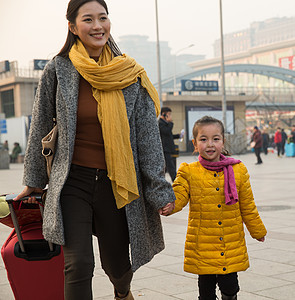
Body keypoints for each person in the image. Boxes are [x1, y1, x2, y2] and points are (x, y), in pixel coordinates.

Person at [14, 1, 176, 299]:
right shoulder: (58, 70)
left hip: (117, 183)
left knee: (117, 265)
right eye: (88, 19)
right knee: (78, 265)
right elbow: (39, 125)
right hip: (72, 181)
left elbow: (148, 139)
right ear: (73, 27)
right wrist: (33, 181)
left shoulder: (129, 73)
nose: (98, 25)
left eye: (103, 18)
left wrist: (159, 190)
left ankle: (122, 291)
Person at [163, 116, 267, 300]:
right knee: (206, 292)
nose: (210, 144)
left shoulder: (238, 170)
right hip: (203, 244)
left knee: (230, 287)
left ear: (223, 141)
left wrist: (257, 230)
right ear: (195, 143)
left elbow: (248, 205)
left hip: (230, 241)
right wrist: (170, 205)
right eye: (203, 139)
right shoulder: (189, 171)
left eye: (215, 139)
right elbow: (179, 194)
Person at [158, 106, 181, 181]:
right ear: (164, 114)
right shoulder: (160, 123)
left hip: (168, 148)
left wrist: (179, 135)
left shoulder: (165, 123)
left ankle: (166, 181)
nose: (171, 116)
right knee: (170, 166)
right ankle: (175, 181)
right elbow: (166, 131)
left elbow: (169, 136)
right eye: (169, 114)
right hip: (164, 149)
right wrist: (170, 122)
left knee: (167, 166)